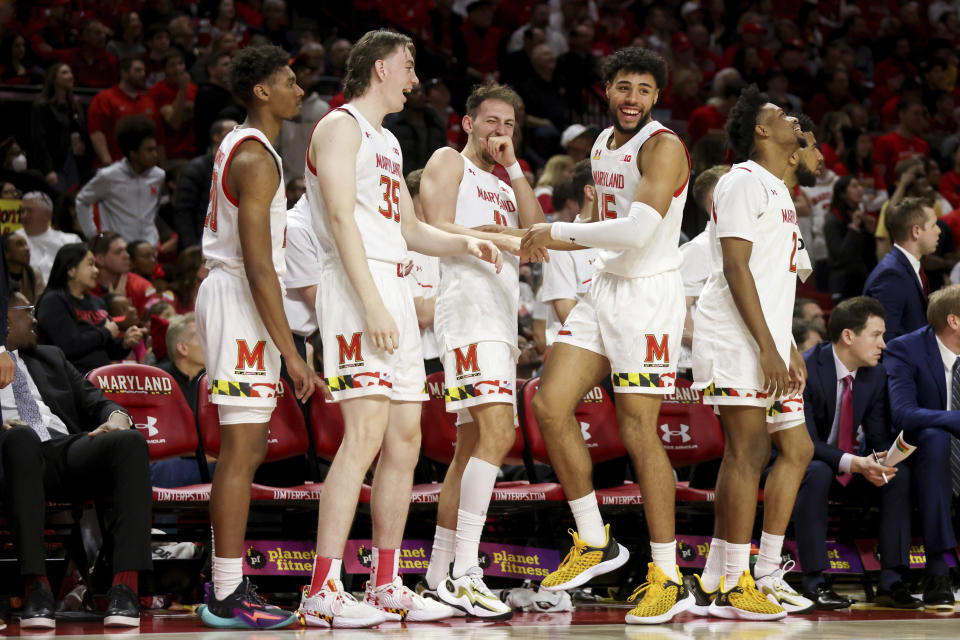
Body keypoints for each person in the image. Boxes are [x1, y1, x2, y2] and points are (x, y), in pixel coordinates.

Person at [300, 29, 500, 628]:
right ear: (381, 67)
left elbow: (410, 232)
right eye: (409, 68)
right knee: (362, 435)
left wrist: (470, 242)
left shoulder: (386, 141)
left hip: (390, 280)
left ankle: (385, 581)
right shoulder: (339, 127)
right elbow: (339, 219)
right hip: (357, 286)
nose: (415, 80)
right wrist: (373, 304)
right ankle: (321, 588)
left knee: (406, 439)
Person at [519, 47, 694, 624]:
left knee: (638, 428)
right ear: (607, 90)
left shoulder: (663, 146)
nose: (632, 99)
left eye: (644, 89)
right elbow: (604, 231)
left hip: (647, 295)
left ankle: (667, 574)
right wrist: (550, 237)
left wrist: (556, 230)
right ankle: (595, 539)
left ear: (656, 97)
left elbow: (640, 229)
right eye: (624, 87)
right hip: (606, 289)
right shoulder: (600, 146)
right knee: (549, 405)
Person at [194, 45, 318, 630]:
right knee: (240, 452)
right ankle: (226, 591)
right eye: (289, 82)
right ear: (262, 91)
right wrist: (292, 351)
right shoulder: (256, 160)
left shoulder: (247, 146)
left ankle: (228, 583)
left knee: (248, 449)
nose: (299, 90)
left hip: (240, 297)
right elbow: (260, 266)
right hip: (240, 298)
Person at [418, 83, 545, 619]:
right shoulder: (448, 160)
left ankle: (438, 573)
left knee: (469, 448)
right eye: (491, 122)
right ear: (468, 124)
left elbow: (538, 233)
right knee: (499, 434)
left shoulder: (502, 179)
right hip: (466, 312)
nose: (500, 132)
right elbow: (430, 227)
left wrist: (516, 172)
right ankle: (468, 571)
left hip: (495, 317)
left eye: (509, 124)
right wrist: (503, 237)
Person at [689, 85, 814, 620]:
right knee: (747, 453)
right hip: (733, 338)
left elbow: (770, 280)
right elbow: (736, 268)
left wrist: (785, 343)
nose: (793, 119)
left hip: (762, 338)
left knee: (755, 453)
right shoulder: (741, 181)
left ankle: (720, 574)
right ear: (761, 131)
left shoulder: (778, 189)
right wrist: (767, 346)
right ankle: (736, 583)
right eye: (782, 114)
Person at [0, 291, 150, 630]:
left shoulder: (49, 356)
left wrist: (116, 416)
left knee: (128, 442)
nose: (36, 319)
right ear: (5, 317)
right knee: (21, 438)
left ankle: (124, 588)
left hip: (60, 448)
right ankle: (36, 589)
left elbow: (96, 401)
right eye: (28, 311)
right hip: (11, 456)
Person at [794, 297, 918, 609]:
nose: (884, 345)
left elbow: (876, 436)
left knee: (897, 477)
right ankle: (813, 581)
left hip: (848, 467)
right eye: (876, 335)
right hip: (797, 464)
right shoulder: (806, 368)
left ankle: (892, 580)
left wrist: (882, 461)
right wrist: (856, 463)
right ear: (849, 336)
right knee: (818, 471)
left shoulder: (874, 374)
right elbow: (804, 444)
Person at [885, 285, 960, 610]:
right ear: (954, 321)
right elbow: (902, 412)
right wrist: (953, 419)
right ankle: (937, 568)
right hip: (914, 452)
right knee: (935, 437)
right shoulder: (906, 349)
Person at [36, 244, 145, 374]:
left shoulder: (97, 302)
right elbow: (69, 346)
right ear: (71, 270)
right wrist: (105, 332)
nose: (96, 270)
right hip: (71, 381)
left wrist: (125, 343)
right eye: (90, 264)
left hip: (103, 379)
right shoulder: (53, 301)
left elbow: (109, 349)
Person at [77, 115, 165, 247]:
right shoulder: (108, 176)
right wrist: (93, 236)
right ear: (133, 153)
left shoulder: (159, 176)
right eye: (149, 150)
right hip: (119, 251)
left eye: (155, 149)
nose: (155, 155)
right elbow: (82, 201)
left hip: (149, 249)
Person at [537, 159, 598, 348]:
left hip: (613, 354)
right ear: (591, 192)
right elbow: (567, 315)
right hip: (573, 354)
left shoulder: (621, 239)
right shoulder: (561, 242)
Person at [863, 197, 940, 343]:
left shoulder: (907, 267)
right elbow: (885, 340)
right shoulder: (891, 275)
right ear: (916, 231)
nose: (939, 230)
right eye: (934, 225)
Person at [152, 313, 211, 487]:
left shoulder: (218, 380)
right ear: (183, 348)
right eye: (201, 336)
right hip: (169, 462)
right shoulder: (156, 382)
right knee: (167, 468)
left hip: (210, 460)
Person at [176, 119, 237, 248]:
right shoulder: (195, 169)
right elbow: (184, 212)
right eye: (232, 132)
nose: (237, 136)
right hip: (202, 244)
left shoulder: (239, 168)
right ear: (216, 137)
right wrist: (191, 248)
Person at [403, 169, 441, 373]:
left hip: (443, 352)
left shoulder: (443, 242)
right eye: (425, 197)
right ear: (410, 199)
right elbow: (423, 315)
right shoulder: (403, 246)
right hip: (416, 357)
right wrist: (459, 292)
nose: (432, 204)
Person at [30, 62, 90, 192]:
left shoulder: (74, 106)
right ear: (54, 79)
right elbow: (39, 140)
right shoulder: (42, 106)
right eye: (64, 72)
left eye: (70, 72)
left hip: (72, 163)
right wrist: (48, 170)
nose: (70, 76)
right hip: (55, 165)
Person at [86, 57, 158, 166]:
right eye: (138, 70)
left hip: (144, 167)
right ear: (124, 72)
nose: (143, 74)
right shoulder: (104, 98)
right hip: (115, 163)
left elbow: (157, 136)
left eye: (144, 71)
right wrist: (107, 161)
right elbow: (96, 132)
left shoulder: (149, 101)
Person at [825, 175, 877, 301]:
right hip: (843, 285)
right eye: (854, 186)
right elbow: (842, 256)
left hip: (861, 281)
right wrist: (854, 227)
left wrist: (870, 231)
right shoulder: (832, 219)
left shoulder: (858, 215)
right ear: (842, 193)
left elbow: (869, 255)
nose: (860, 189)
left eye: (859, 185)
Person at [15, 191, 81, 283]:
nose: (24, 216)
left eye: (30, 211)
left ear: (47, 215)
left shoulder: (70, 241)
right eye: (22, 211)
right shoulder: (12, 241)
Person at [90, 232, 159, 317]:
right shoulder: (86, 288)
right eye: (118, 252)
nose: (127, 255)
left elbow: (155, 325)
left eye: (125, 250)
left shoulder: (142, 287)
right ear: (100, 259)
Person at [148, 49, 198, 160]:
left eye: (180, 64)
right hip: (172, 153)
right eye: (172, 65)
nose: (178, 69)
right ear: (164, 70)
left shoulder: (194, 89)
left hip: (193, 150)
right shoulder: (157, 91)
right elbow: (174, 123)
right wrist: (182, 90)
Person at [4, 234, 43, 304]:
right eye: (19, 245)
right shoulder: (2, 277)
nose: (27, 249)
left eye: (26, 244)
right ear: (6, 253)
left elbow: (40, 307)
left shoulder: (34, 274)